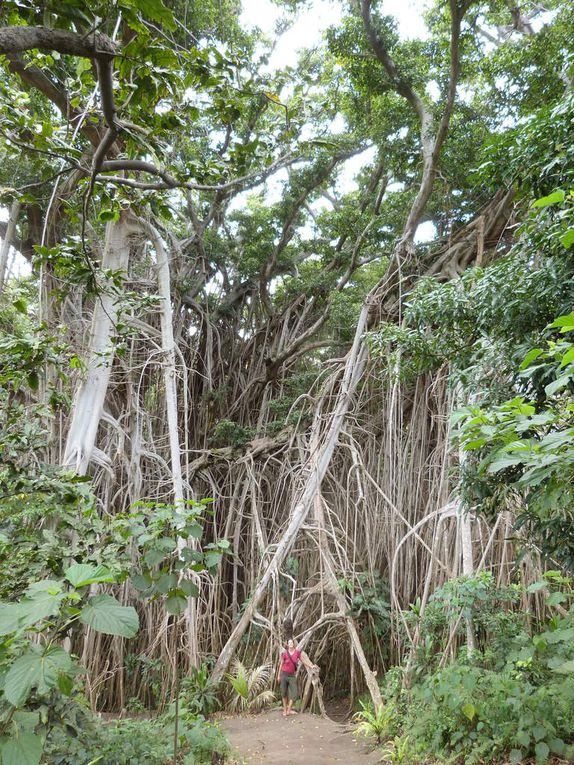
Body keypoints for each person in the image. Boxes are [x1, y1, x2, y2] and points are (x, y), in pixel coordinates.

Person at [276, 637, 318, 717]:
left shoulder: (297, 653)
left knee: (294, 694)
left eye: (292, 643)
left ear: (294, 644)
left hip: (292, 676)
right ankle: (285, 710)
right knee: (284, 694)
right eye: (289, 643)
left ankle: (289, 710)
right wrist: (278, 676)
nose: (291, 644)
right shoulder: (284, 653)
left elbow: (303, 661)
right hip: (284, 675)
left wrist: (311, 666)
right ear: (287, 644)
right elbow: (281, 664)